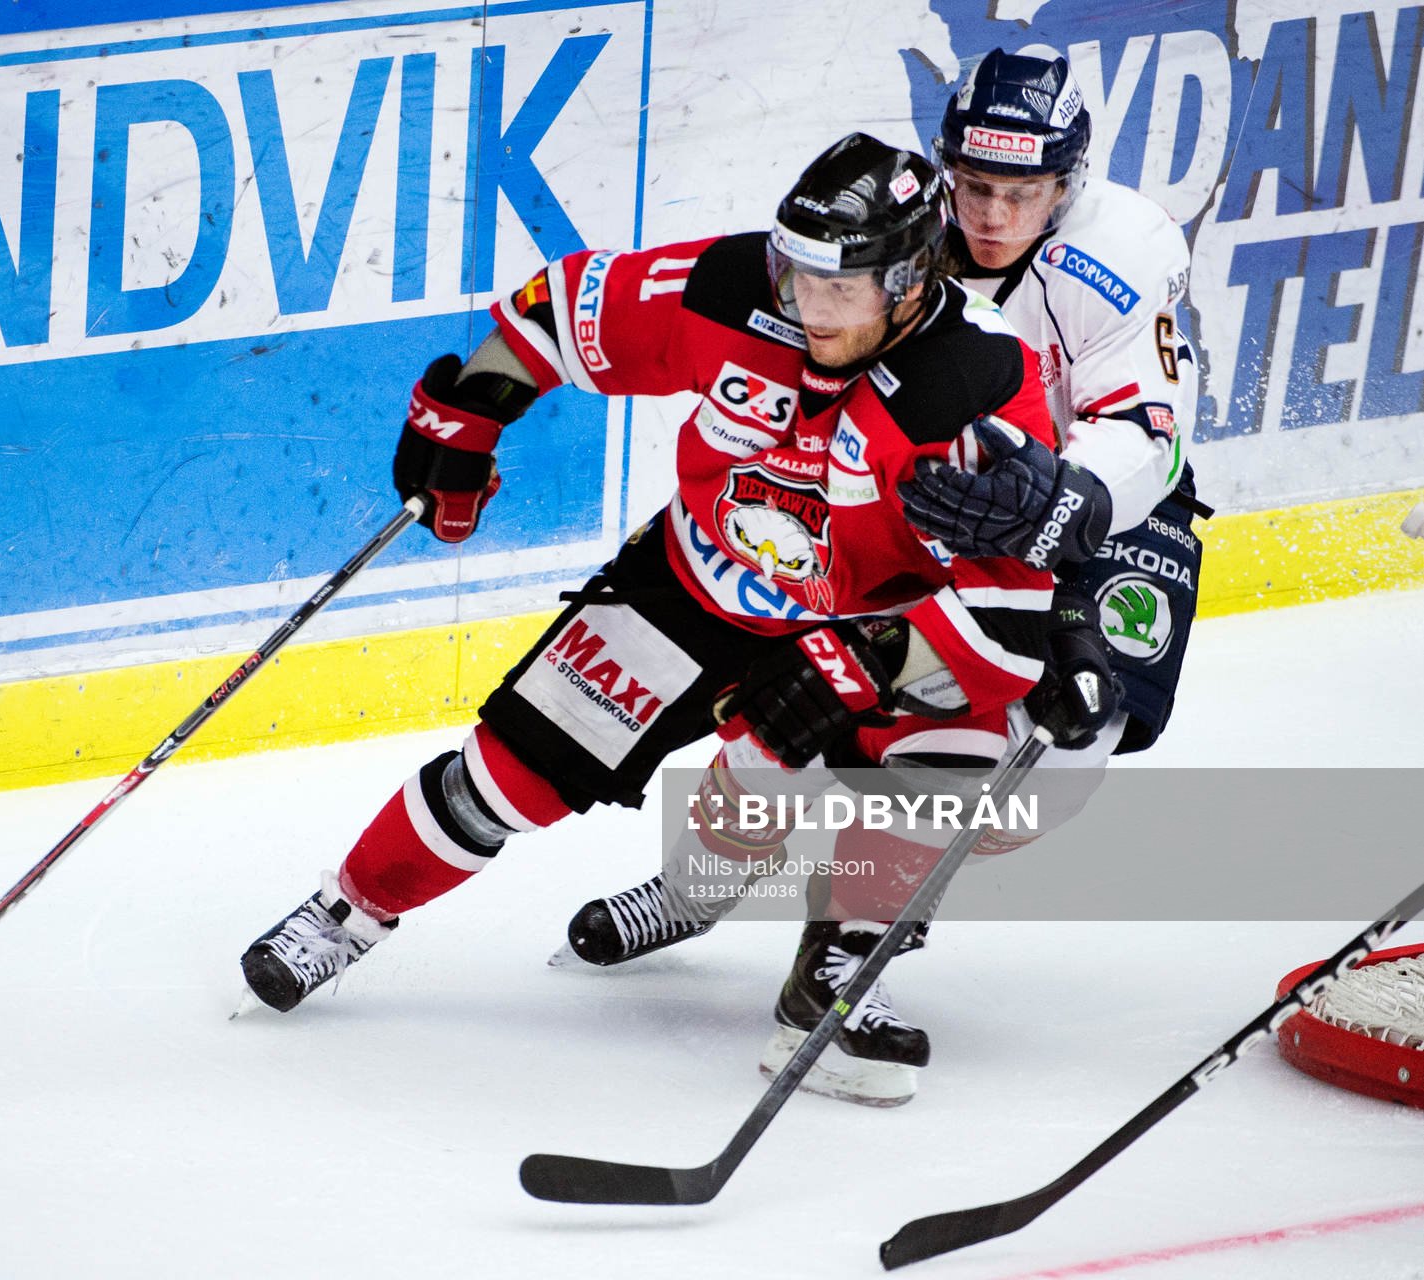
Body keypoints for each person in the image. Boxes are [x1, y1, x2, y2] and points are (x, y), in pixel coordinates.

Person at [238, 133, 1071, 1028]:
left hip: (868, 632)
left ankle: (835, 956)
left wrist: (853, 670)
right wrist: (470, 411)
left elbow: (1008, 613)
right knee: (507, 776)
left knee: (947, 762)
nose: (810, 311)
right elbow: (563, 313)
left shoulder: (979, 381)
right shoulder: (734, 289)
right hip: (696, 579)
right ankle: (347, 911)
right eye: (796, 279)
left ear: (906, 281)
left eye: (840, 289)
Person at [560, 46, 1207, 1106]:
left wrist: (1065, 527)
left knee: (1063, 734)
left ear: (1070, 183)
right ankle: (716, 895)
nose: (992, 217)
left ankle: (850, 915)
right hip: (900, 502)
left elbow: (1148, 432)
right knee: (798, 688)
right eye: (976, 185)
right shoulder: (890, 225)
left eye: (1023, 192)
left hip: (1086, 509)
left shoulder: (1124, 250)